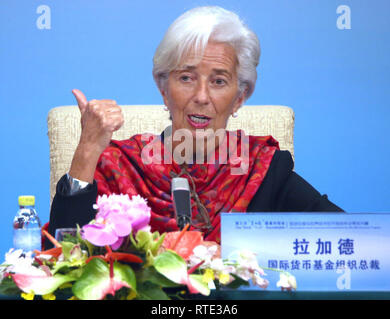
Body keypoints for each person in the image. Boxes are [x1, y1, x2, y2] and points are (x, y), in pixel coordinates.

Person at [46, 6, 343, 249]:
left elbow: (345, 239)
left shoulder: (260, 168)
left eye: (218, 81)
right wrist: (87, 150)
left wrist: (239, 255)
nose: (201, 97)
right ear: (164, 89)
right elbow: (59, 257)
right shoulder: (119, 165)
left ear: (239, 98)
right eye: (186, 78)